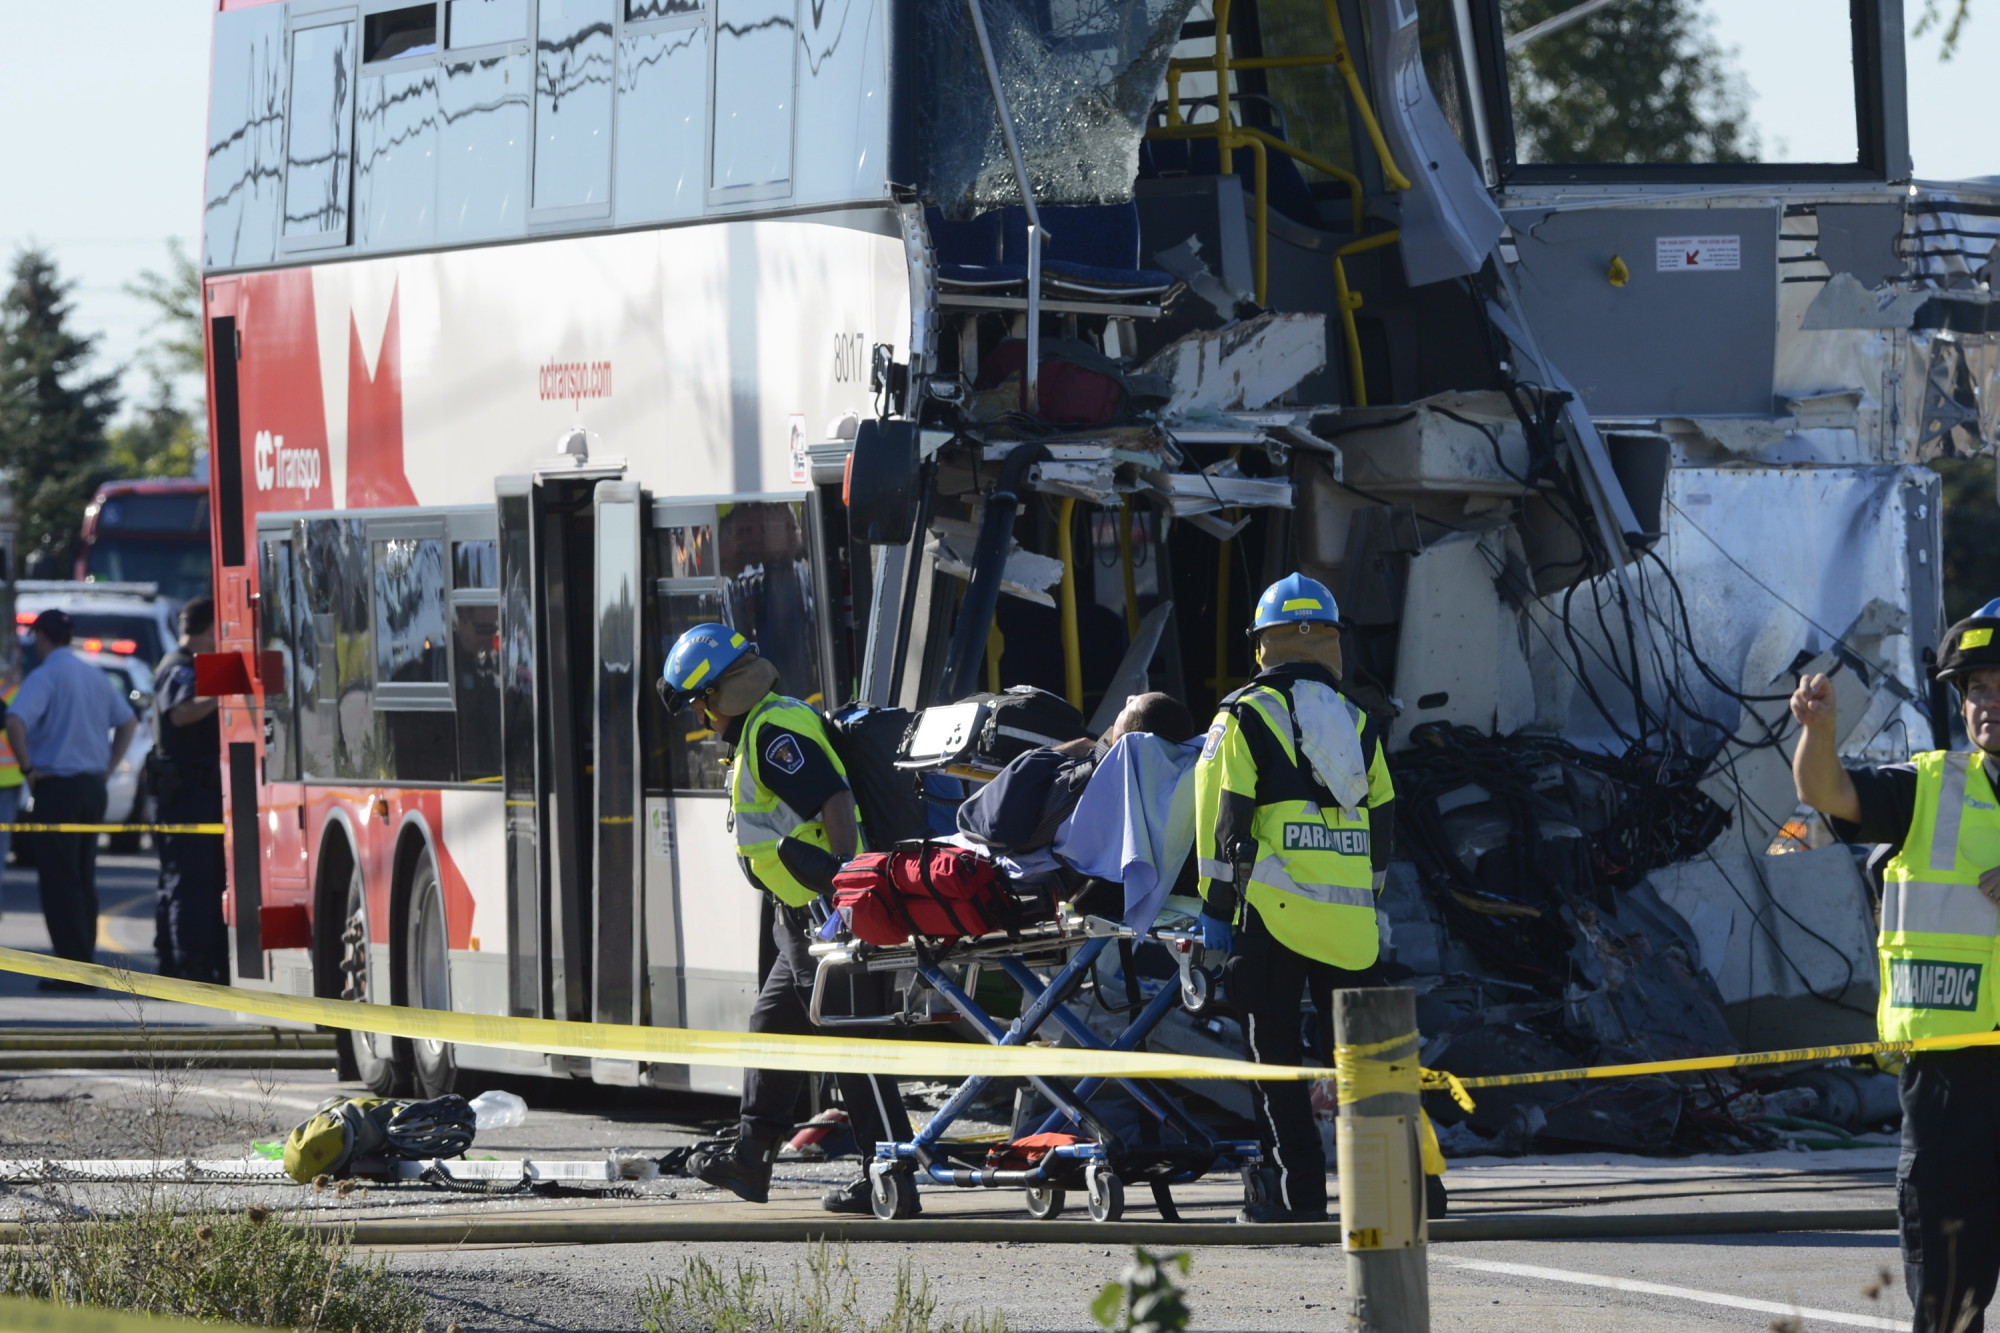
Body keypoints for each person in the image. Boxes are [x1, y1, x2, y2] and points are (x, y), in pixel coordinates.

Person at [1791, 601, 2000, 1333]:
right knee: (1947, 1294)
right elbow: (1826, 793)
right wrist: (1818, 734)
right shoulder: (1929, 787)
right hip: (1950, 1078)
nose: (1988, 703)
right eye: (1977, 688)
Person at [657, 622, 914, 1215]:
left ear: (720, 693)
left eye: (699, 703)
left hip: (831, 916)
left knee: (853, 1044)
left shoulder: (774, 733)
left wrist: (847, 887)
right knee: (773, 1026)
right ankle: (751, 1158)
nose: (699, 716)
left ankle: (892, 1176)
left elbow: (834, 799)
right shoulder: (764, 726)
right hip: (800, 919)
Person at [1191, 573, 1394, 1224]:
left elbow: (1221, 819)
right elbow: (1383, 826)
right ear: (1332, 642)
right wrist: (1364, 901)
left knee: (1275, 1063)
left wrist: (1217, 908)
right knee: (1369, 1067)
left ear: (1262, 644)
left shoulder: (1243, 715)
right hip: (1352, 928)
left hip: (1270, 919)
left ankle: (1294, 1194)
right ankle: (1399, 1193)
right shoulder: (1360, 722)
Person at [5, 609, 138, 990]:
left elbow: (14, 719)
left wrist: (28, 768)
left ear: (42, 637)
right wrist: (108, 768)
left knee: (59, 881)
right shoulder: (93, 674)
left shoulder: (46, 676)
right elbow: (127, 721)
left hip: (58, 788)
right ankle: (84, 963)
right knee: (82, 876)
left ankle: (72, 971)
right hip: (92, 788)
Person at [152, 597, 227, 985]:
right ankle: (187, 965)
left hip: (198, 791)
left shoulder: (192, 664)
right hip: (185, 793)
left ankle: (187, 960)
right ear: (210, 629)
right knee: (189, 882)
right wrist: (225, 691)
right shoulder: (179, 667)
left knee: (201, 880)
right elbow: (181, 713)